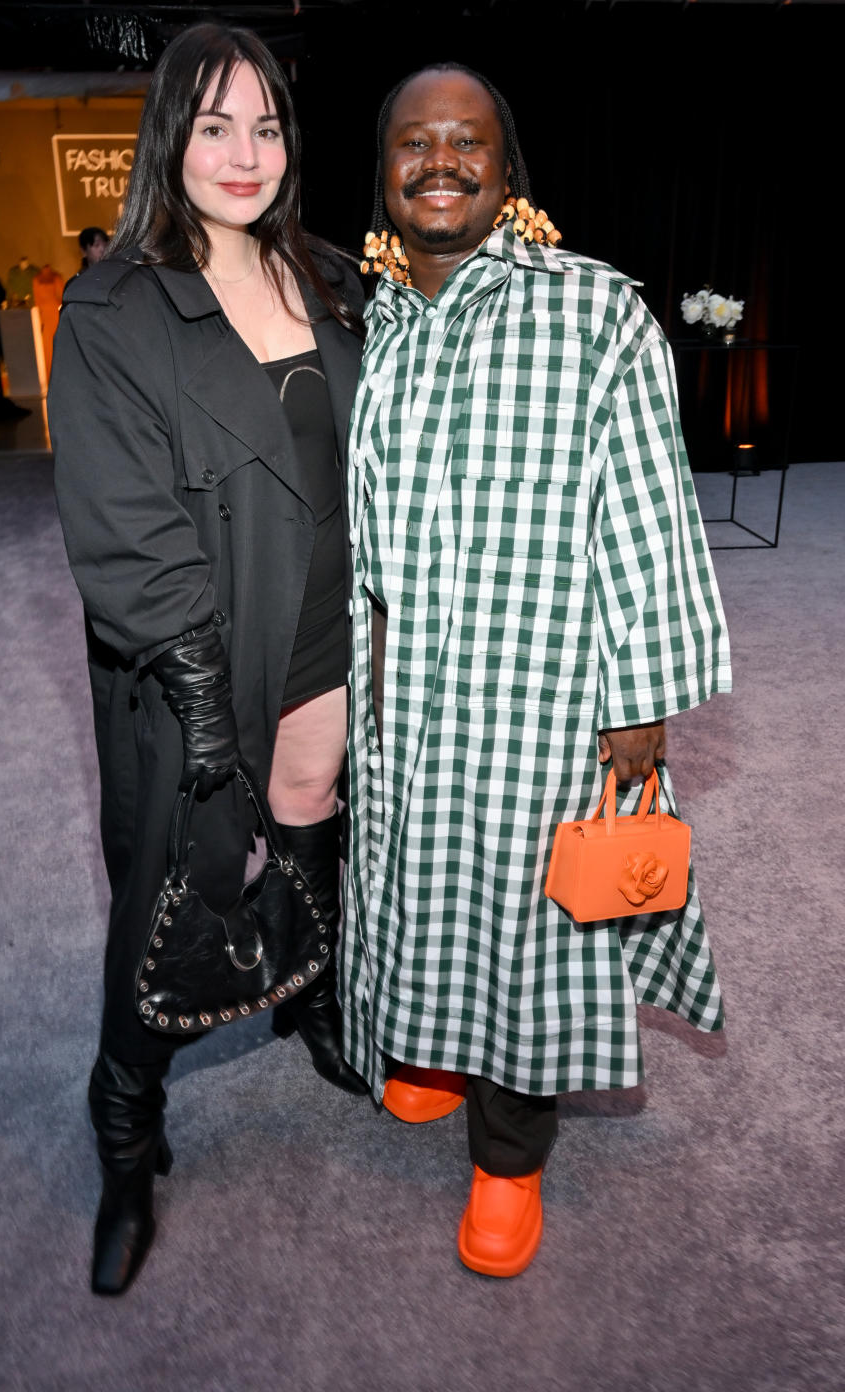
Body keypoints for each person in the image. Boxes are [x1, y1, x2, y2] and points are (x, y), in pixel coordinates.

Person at [342, 63, 731, 1278]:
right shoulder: (366, 319)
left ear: (508, 173)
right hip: (400, 690)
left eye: (467, 143)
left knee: (530, 918)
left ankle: (509, 1155)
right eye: (415, 143)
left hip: (544, 687)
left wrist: (642, 705)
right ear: (385, 169)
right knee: (409, 872)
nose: (440, 162)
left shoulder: (594, 311)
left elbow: (651, 510)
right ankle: (425, 1050)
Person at [47, 23, 367, 1298]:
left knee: (312, 822)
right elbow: (122, 520)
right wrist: (198, 695)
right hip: (204, 649)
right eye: (216, 124)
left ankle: (307, 991)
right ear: (168, 135)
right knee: (171, 894)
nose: (246, 153)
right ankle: (126, 1118)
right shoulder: (117, 304)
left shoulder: (334, 275)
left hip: (336, 628)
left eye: (268, 124)